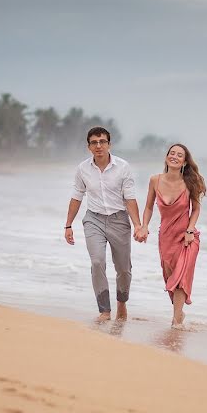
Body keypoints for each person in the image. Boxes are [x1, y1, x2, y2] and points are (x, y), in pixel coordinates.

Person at [64, 127, 142, 322]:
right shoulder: (82, 169)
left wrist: (138, 225)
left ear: (109, 144)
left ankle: (121, 303)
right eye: (94, 142)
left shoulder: (123, 167)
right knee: (97, 261)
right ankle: (104, 310)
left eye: (102, 142)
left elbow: (130, 198)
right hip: (94, 219)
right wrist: (68, 225)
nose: (98, 146)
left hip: (119, 220)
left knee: (123, 268)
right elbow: (76, 197)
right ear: (89, 146)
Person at [138, 143, 206, 328]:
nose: (174, 156)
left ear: (184, 161)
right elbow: (149, 206)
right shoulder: (155, 180)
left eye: (179, 155)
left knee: (180, 278)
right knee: (170, 280)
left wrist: (190, 230)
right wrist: (144, 226)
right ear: (167, 157)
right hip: (166, 238)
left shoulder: (189, 182)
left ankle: (176, 322)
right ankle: (179, 314)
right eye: (172, 153)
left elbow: (196, 209)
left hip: (186, 238)